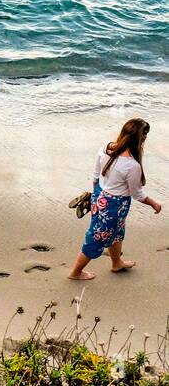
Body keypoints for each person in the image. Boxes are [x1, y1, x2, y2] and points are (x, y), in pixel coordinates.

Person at [69, 118, 162, 280]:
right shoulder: (132, 165)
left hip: (101, 197)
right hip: (114, 206)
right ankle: (75, 272)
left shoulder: (106, 148)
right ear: (141, 139)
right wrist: (153, 203)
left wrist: (97, 195)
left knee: (117, 233)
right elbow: (137, 194)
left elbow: (96, 175)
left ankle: (116, 263)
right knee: (96, 238)